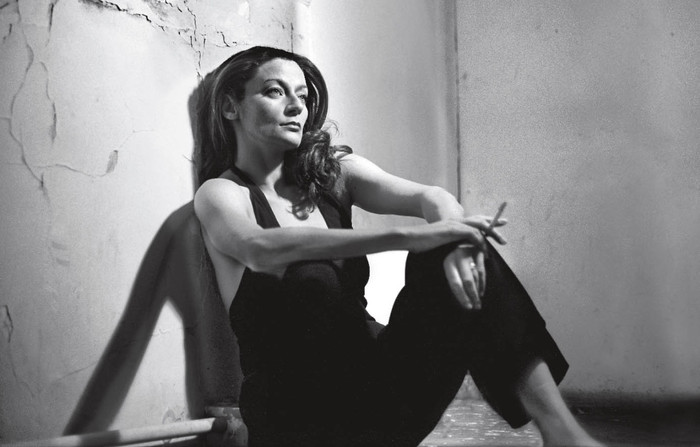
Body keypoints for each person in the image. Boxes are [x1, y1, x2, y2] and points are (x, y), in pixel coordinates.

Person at [193, 46, 602, 446]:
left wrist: (454, 241)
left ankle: (563, 435)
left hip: (378, 397)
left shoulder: (331, 174)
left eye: (302, 95)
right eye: (274, 91)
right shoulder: (221, 194)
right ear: (231, 106)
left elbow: (433, 197)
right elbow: (259, 248)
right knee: (441, 241)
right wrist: (408, 237)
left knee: (461, 246)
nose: (296, 106)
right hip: (296, 416)